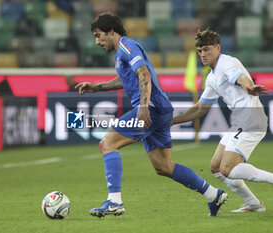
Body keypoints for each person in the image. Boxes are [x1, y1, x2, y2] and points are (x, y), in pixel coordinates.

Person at [75, 13, 227, 218]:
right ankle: (212, 194)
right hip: (161, 109)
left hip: (151, 108)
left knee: (108, 144)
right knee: (163, 167)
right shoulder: (122, 52)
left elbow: (143, 74)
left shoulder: (127, 47)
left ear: (111, 31)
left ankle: (114, 201)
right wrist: (97, 87)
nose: (97, 41)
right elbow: (126, 80)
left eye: (98, 35)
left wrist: (144, 107)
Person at [173, 29, 273, 213]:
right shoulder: (211, 77)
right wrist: (172, 121)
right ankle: (253, 204)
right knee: (216, 167)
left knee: (227, 168)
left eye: (207, 49)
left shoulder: (227, 63)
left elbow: (240, 78)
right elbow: (200, 108)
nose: (203, 54)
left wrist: (249, 87)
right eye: (200, 50)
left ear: (218, 48)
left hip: (250, 118)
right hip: (240, 121)